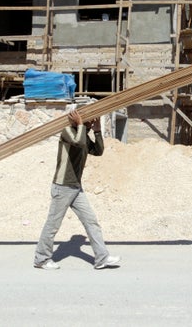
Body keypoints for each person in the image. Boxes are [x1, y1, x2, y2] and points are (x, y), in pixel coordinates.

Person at [34, 108, 120, 270]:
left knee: (91, 222)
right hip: (62, 186)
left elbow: (98, 151)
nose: (90, 120)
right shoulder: (67, 131)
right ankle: (41, 259)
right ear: (78, 118)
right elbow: (78, 142)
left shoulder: (84, 135)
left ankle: (102, 258)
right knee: (52, 225)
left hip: (75, 187)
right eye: (87, 118)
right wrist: (81, 123)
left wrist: (98, 131)